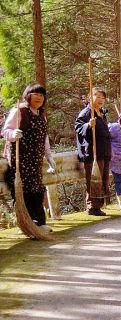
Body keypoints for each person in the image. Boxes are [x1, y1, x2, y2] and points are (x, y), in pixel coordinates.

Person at [1, 84, 56, 232]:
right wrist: (13, 134)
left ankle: (40, 223)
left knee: (37, 190)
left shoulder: (41, 115)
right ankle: (26, 223)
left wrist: (49, 157)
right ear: (28, 95)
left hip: (35, 159)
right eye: (35, 94)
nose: (39, 97)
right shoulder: (19, 111)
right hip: (20, 159)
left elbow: (44, 139)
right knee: (22, 191)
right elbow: (5, 130)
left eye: (42, 95)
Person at [75, 87, 111, 216]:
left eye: (102, 97)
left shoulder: (102, 113)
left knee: (103, 179)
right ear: (90, 97)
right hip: (92, 153)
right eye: (97, 96)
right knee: (94, 180)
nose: (100, 99)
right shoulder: (86, 113)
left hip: (104, 151)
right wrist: (88, 125)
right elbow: (78, 127)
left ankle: (99, 205)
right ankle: (93, 207)